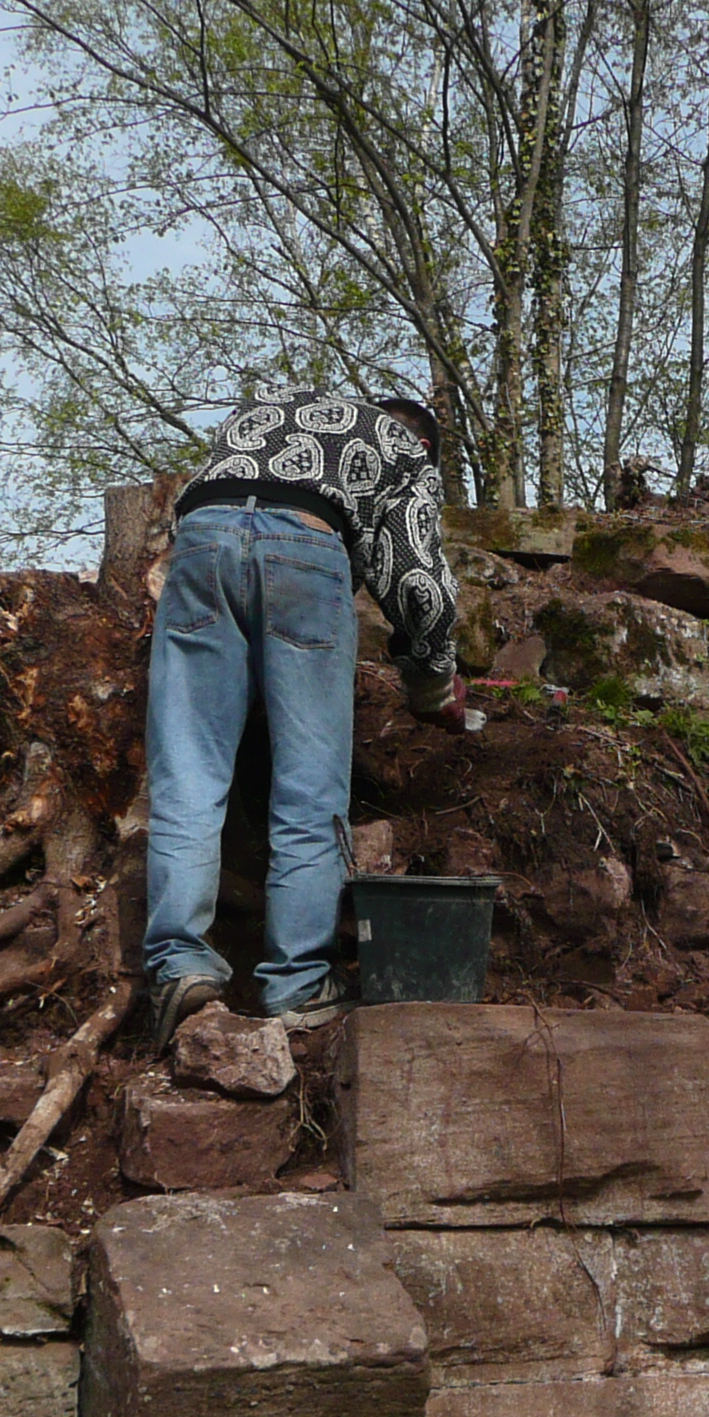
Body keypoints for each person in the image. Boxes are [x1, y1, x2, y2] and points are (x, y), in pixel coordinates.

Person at [144, 392, 467, 1042]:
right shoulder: (404, 448)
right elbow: (418, 582)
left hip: (201, 540)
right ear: (425, 446)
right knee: (310, 785)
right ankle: (296, 982)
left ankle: (177, 964)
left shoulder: (271, 413)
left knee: (188, 767)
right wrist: (433, 683)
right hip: (305, 548)